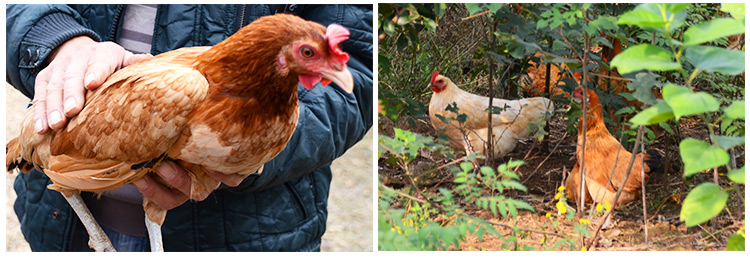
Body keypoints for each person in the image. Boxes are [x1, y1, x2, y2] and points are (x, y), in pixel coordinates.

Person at [6, 4, 373, 251]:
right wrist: (54, 39)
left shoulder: (280, 108)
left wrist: (248, 157)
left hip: (247, 236)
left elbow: (360, 71)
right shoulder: (185, 88)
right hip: (65, 221)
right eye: (310, 54)